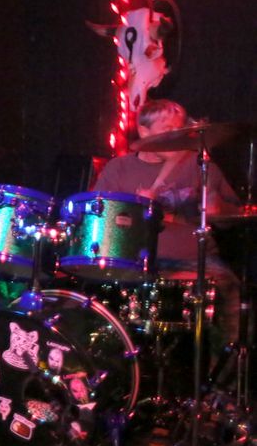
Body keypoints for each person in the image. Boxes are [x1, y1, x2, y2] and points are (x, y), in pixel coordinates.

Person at [92, 99, 241, 363]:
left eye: (179, 129)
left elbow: (233, 216)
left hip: (196, 261)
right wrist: (136, 211)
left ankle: (221, 381)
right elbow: (99, 218)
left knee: (228, 290)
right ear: (143, 130)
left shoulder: (200, 166)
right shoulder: (119, 169)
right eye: (167, 129)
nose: (176, 136)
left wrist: (218, 209)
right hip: (137, 262)